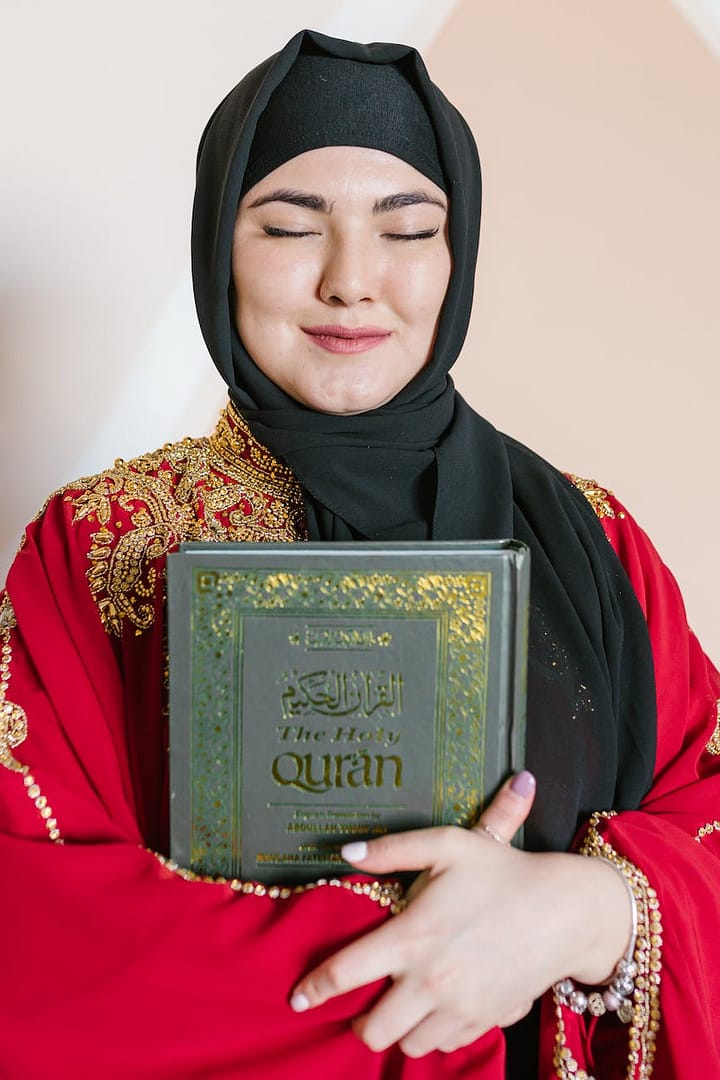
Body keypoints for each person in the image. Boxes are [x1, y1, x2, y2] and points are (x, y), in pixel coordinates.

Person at [1, 27, 718, 1080]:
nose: (352, 281)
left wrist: (587, 913)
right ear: (217, 249)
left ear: (456, 253)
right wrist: (440, 966)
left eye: (408, 229)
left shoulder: (591, 538)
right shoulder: (104, 546)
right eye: (292, 226)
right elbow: (38, 922)